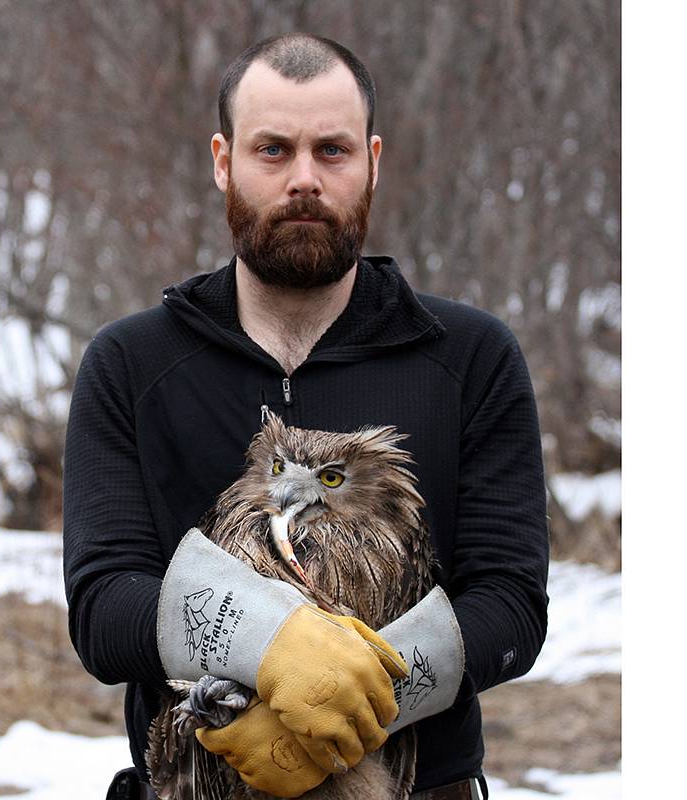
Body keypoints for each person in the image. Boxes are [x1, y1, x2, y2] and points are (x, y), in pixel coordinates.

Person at [63, 33, 549, 800]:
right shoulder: (132, 364)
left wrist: (346, 707)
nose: (304, 179)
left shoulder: (469, 358)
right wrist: (267, 645)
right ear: (223, 160)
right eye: (272, 150)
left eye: (332, 150)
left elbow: (510, 606)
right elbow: (103, 606)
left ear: (373, 162)